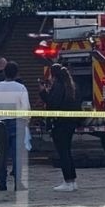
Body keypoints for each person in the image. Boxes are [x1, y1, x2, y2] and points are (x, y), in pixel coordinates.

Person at [0, 61, 30, 191]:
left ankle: (2, 184)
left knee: (2, 156)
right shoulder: (21, 88)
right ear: (17, 73)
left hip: (1, 124)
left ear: (4, 72)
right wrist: (26, 121)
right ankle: (18, 184)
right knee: (17, 155)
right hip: (18, 123)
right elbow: (26, 107)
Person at [39, 62, 80, 192]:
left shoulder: (58, 86)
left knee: (63, 153)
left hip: (60, 124)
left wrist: (43, 93)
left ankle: (67, 181)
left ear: (53, 74)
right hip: (70, 123)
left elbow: (52, 103)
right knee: (67, 151)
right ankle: (72, 181)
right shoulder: (72, 86)